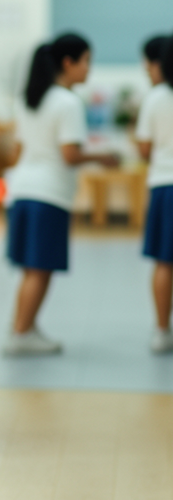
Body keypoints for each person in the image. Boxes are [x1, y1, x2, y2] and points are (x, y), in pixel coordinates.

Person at [3, 33, 120, 356]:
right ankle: (20, 334)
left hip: (22, 190)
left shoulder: (29, 99)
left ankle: (25, 326)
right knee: (41, 269)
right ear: (68, 63)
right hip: (48, 194)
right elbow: (69, 155)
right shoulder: (67, 102)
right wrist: (103, 156)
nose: (88, 70)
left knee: (31, 268)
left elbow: (17, 149)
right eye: (86, 62)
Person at [137, 35, 173, 352]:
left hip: (165, 184)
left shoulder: (157, 97)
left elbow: (145, 149)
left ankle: (162, 331)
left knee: (165, 261)